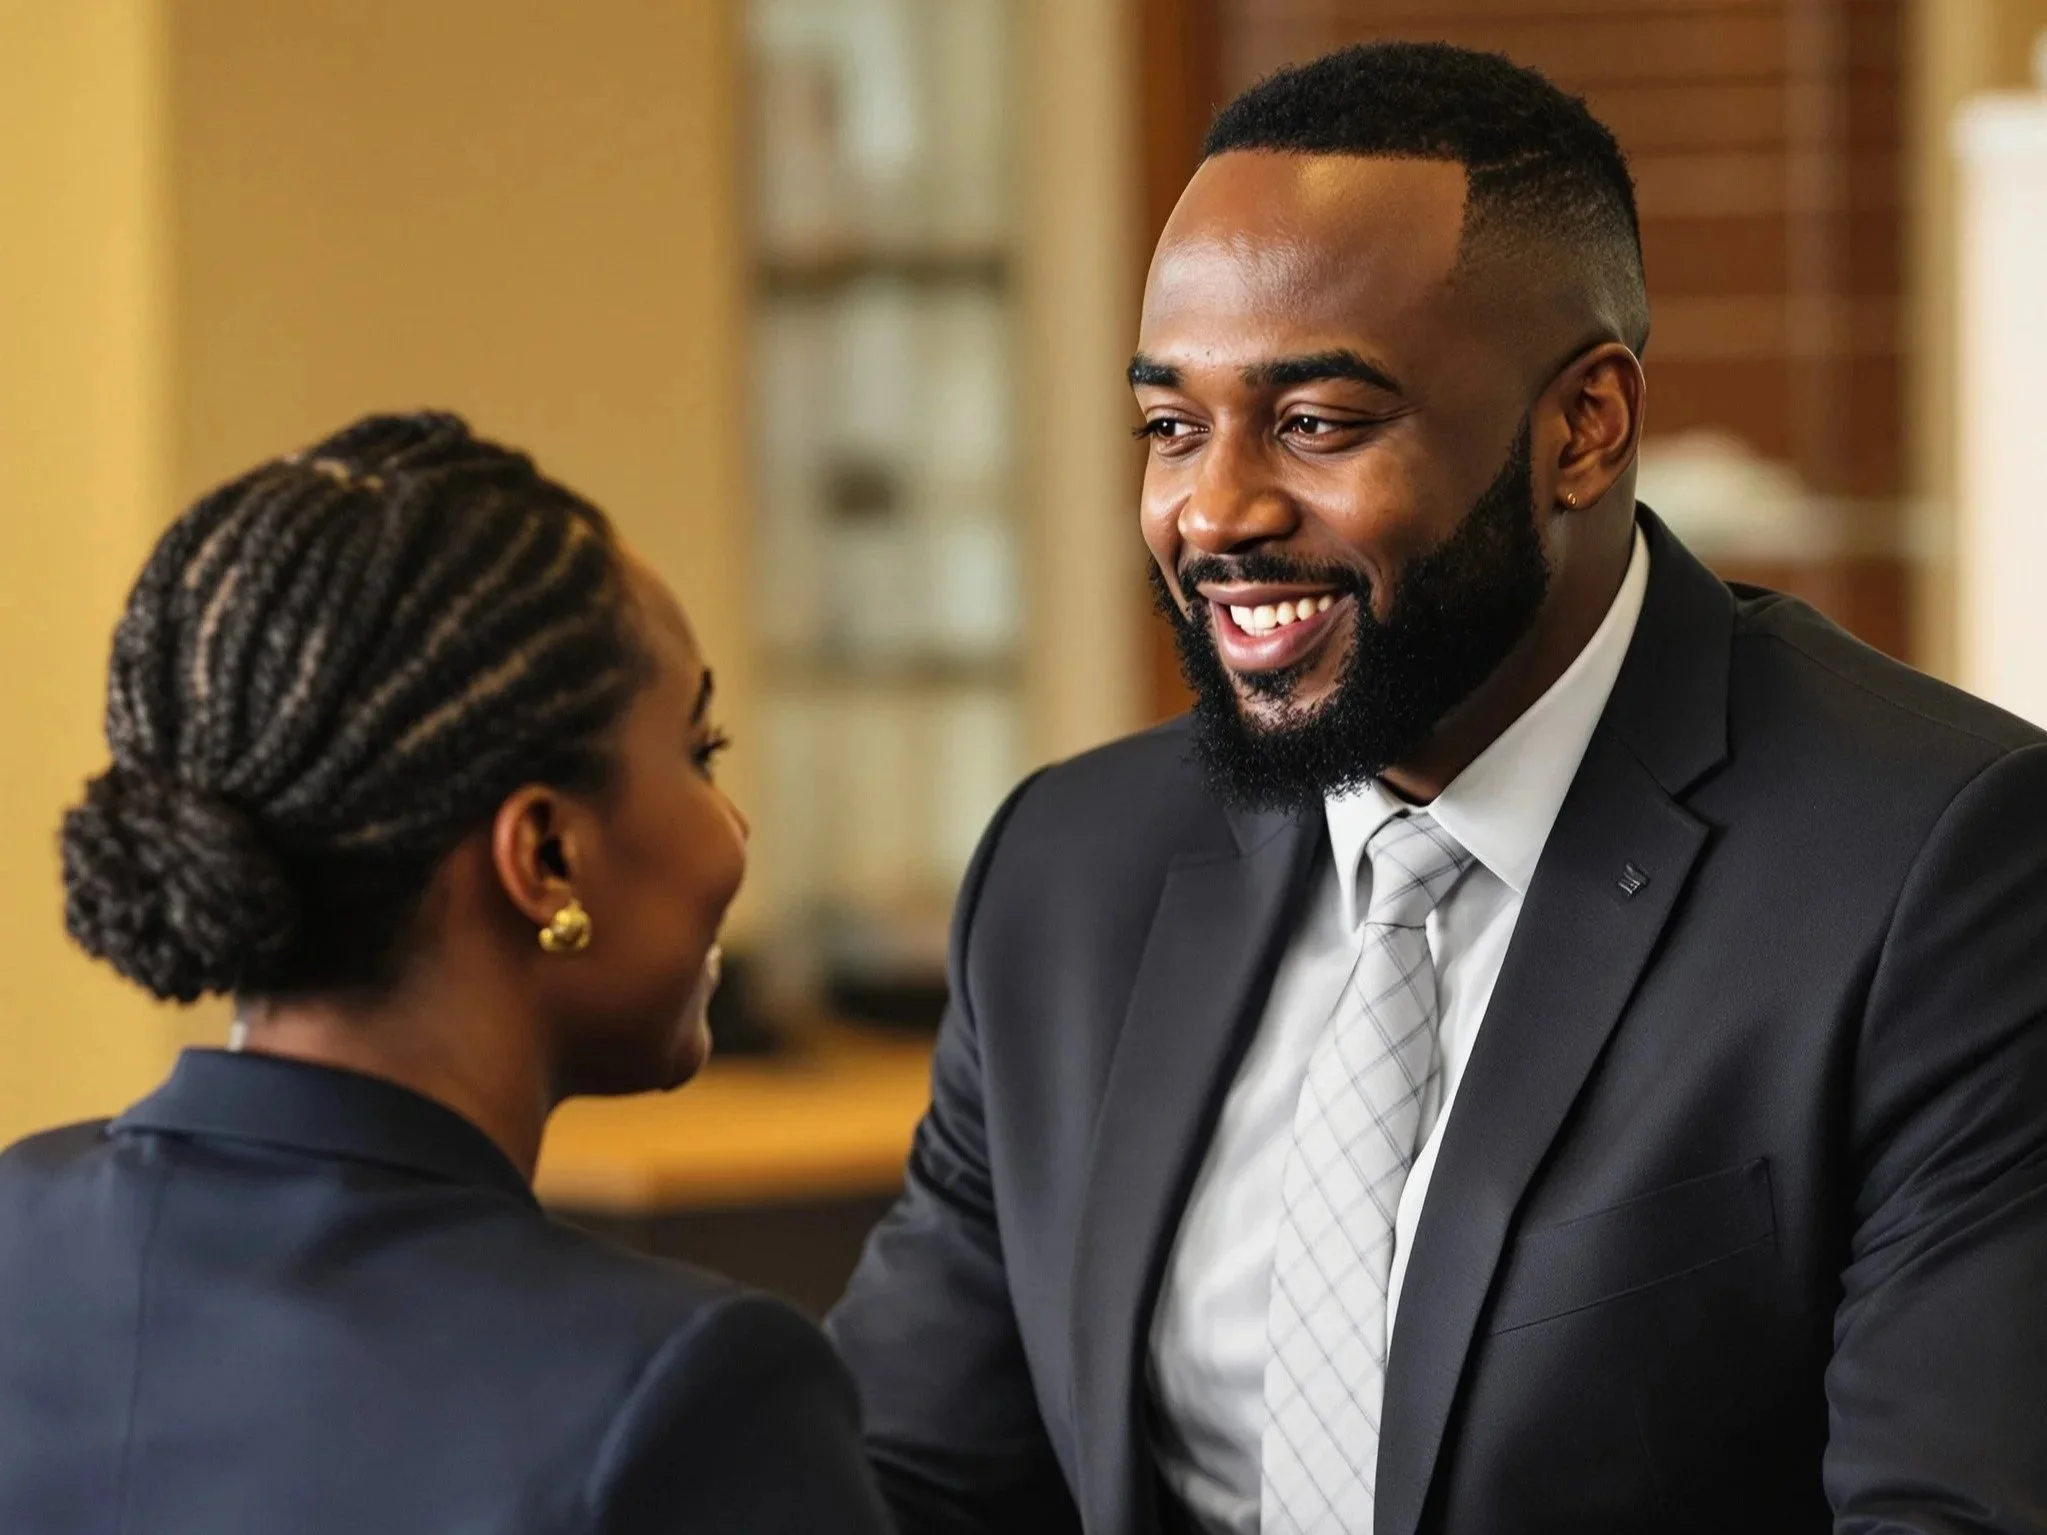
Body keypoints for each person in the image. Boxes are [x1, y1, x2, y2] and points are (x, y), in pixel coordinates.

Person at [826, 41, 2047, 1535]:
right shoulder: (1067, 870)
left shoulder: (1941, 863)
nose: (1212, 507)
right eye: (1168, 424)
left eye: (1317, 422)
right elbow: (902, 1474)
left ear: (1582, 427)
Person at [0, 412, 890, 1535]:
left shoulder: (15, 1229)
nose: (735, 826)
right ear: (546, 855)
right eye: (698, 753)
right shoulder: (683, 1392)